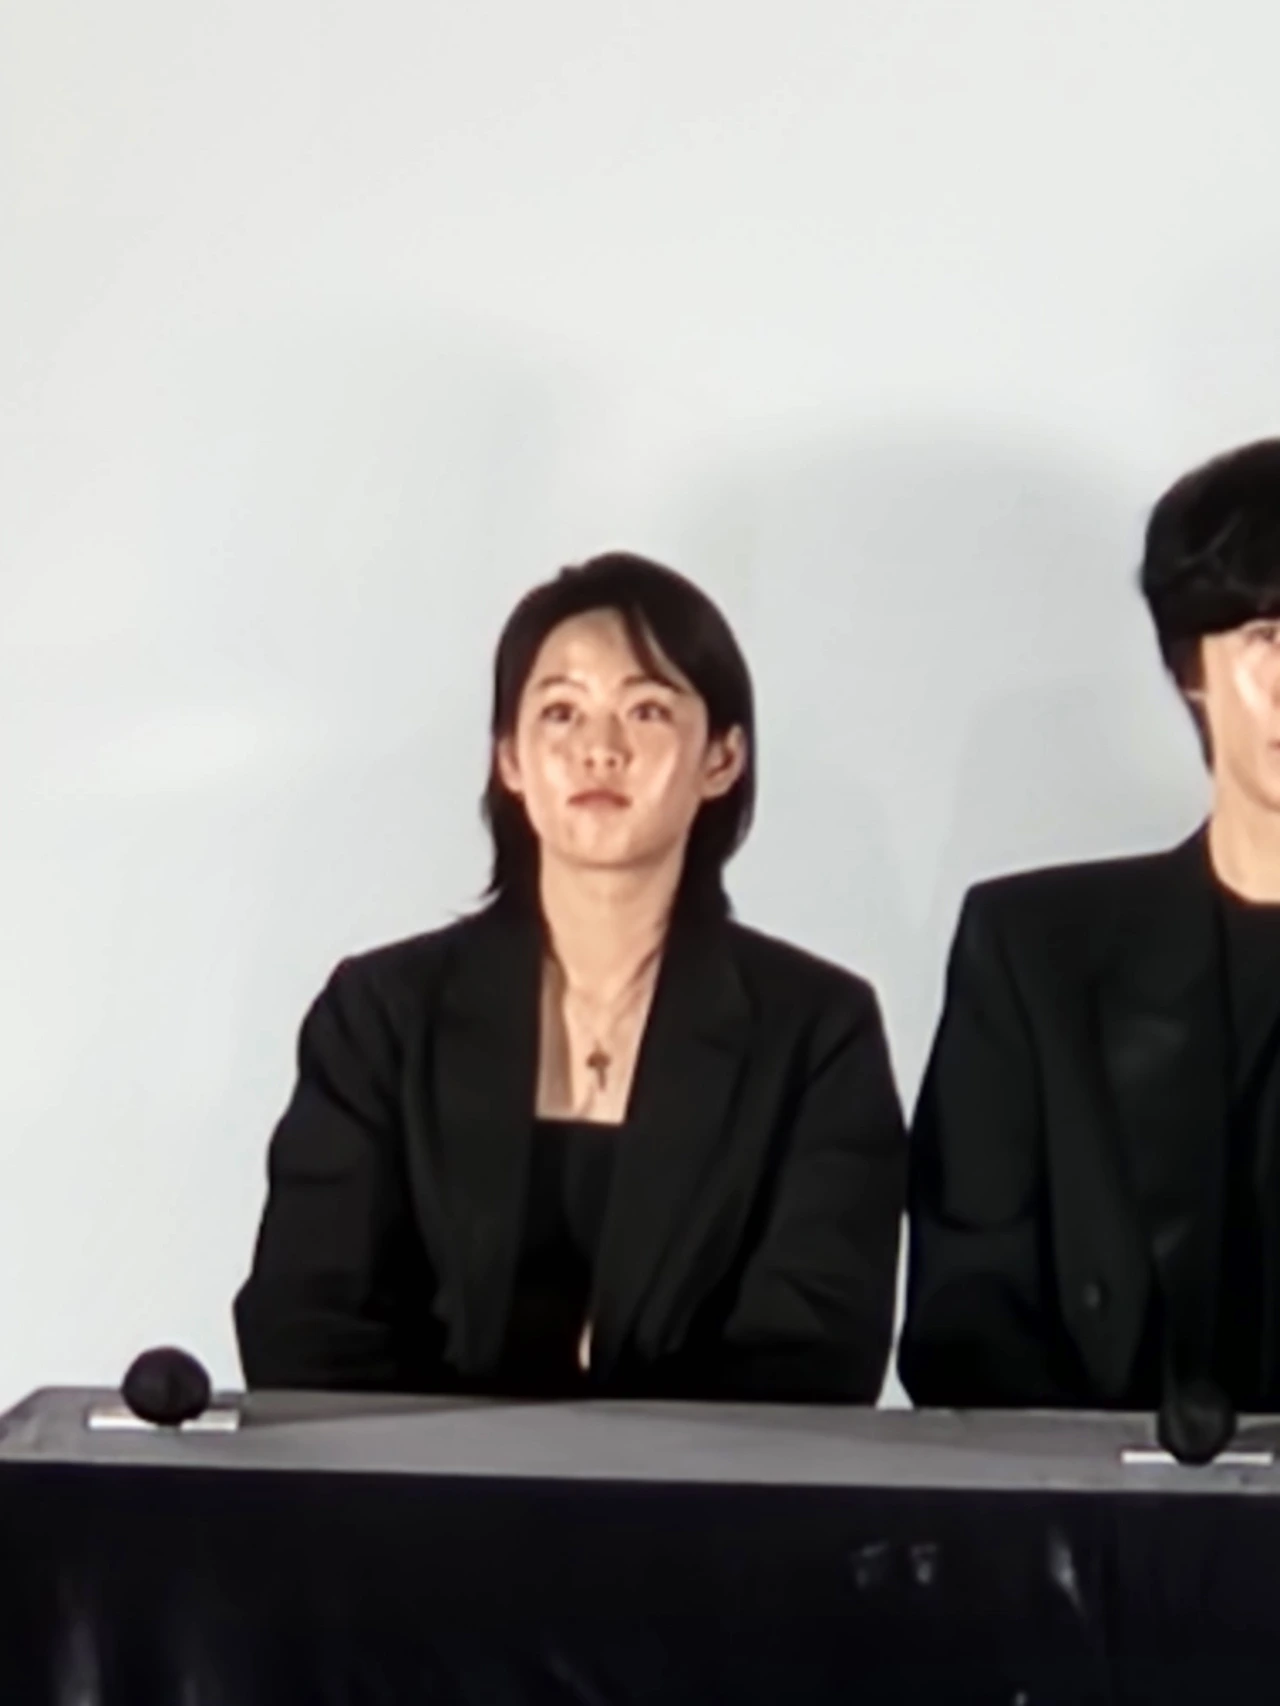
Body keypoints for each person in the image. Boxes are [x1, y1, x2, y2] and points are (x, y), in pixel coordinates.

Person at [236, 552, 905, 1401]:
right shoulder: (381, 1016)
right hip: (411, 1482)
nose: (600, 749)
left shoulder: (816, 1032)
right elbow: (307, 1323)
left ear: (721, 759)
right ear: (510, 759)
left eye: (646, 709)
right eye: (561, 711)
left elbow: (814, 1353)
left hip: (704, 1487)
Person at [899, 440, 1280, 1418]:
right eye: (1268, 636)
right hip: (1095, 1502)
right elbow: (962, 1314)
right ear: (1191, 667)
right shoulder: (1032, 954)